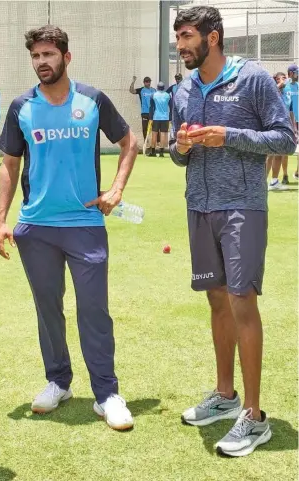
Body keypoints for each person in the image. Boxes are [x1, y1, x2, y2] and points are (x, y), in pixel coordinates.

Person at [0, 25, 138, 431]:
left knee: (94, 310)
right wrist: (0, 220)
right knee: (48, 310)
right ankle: (58, 382)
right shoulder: (21, 106)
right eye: (36, 56)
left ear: (66, 58)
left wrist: (116, 189)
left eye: (48, 55)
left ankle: (107, 393)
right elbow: (9, 165)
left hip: (86, 225)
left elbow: (129, 142)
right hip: (36, 227)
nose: (42, 62)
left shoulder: (91, 100)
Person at [170, 6, 295, 457]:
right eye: (178, 37)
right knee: (216, 299)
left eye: (186, 37)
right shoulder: (182, 88)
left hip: (243, 206)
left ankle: (255, 416)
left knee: (243, 301)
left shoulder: (254, 79)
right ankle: (226, 397)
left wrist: (230, 134)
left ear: (213, 37)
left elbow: (286, 138)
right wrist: (181, 146)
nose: (181, 45)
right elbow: (175, 152)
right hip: (199, 206)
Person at [266, 72, 294, 190]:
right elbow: (271, 92)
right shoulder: (273, 89)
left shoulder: (287, 92)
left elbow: (291, 109)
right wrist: (281, 83)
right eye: (278, 79)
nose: (281, 80)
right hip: (273, 124)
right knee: (270, 154)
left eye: (283, 78)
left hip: (285, 125)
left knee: (279, 154)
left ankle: (274, 181)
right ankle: (262, 182)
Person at [282, 65, 299, 180]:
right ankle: (284, 175)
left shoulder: (298, 86)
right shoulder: (284, 86)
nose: (298, 75)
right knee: (285, 149)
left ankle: (297, 172)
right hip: (287, 121)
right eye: (296, 72)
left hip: (298, 120)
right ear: (290, 73)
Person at [148, 81, 171, 157]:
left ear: (157, 88)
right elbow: (171, 107)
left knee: (154, 134)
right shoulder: (168, 95)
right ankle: (161, 153)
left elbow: (151, 107)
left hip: (156, 117)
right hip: (165, 117)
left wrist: (150, 118)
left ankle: (153, 152)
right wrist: (170, 117)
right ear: (164, 88)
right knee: (163, 134)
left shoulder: (153, 95)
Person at [129, 75, 155, 141]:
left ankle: (156, 142)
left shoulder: (154, 90)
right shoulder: (141, 90)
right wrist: (133, 81)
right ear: (144, 82)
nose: (148, 83)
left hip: (153, 113)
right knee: (145, 128)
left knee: (155, 128)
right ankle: (146, 141)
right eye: (146, 82)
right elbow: (132, 91)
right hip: (145, 112)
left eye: (149, 81)